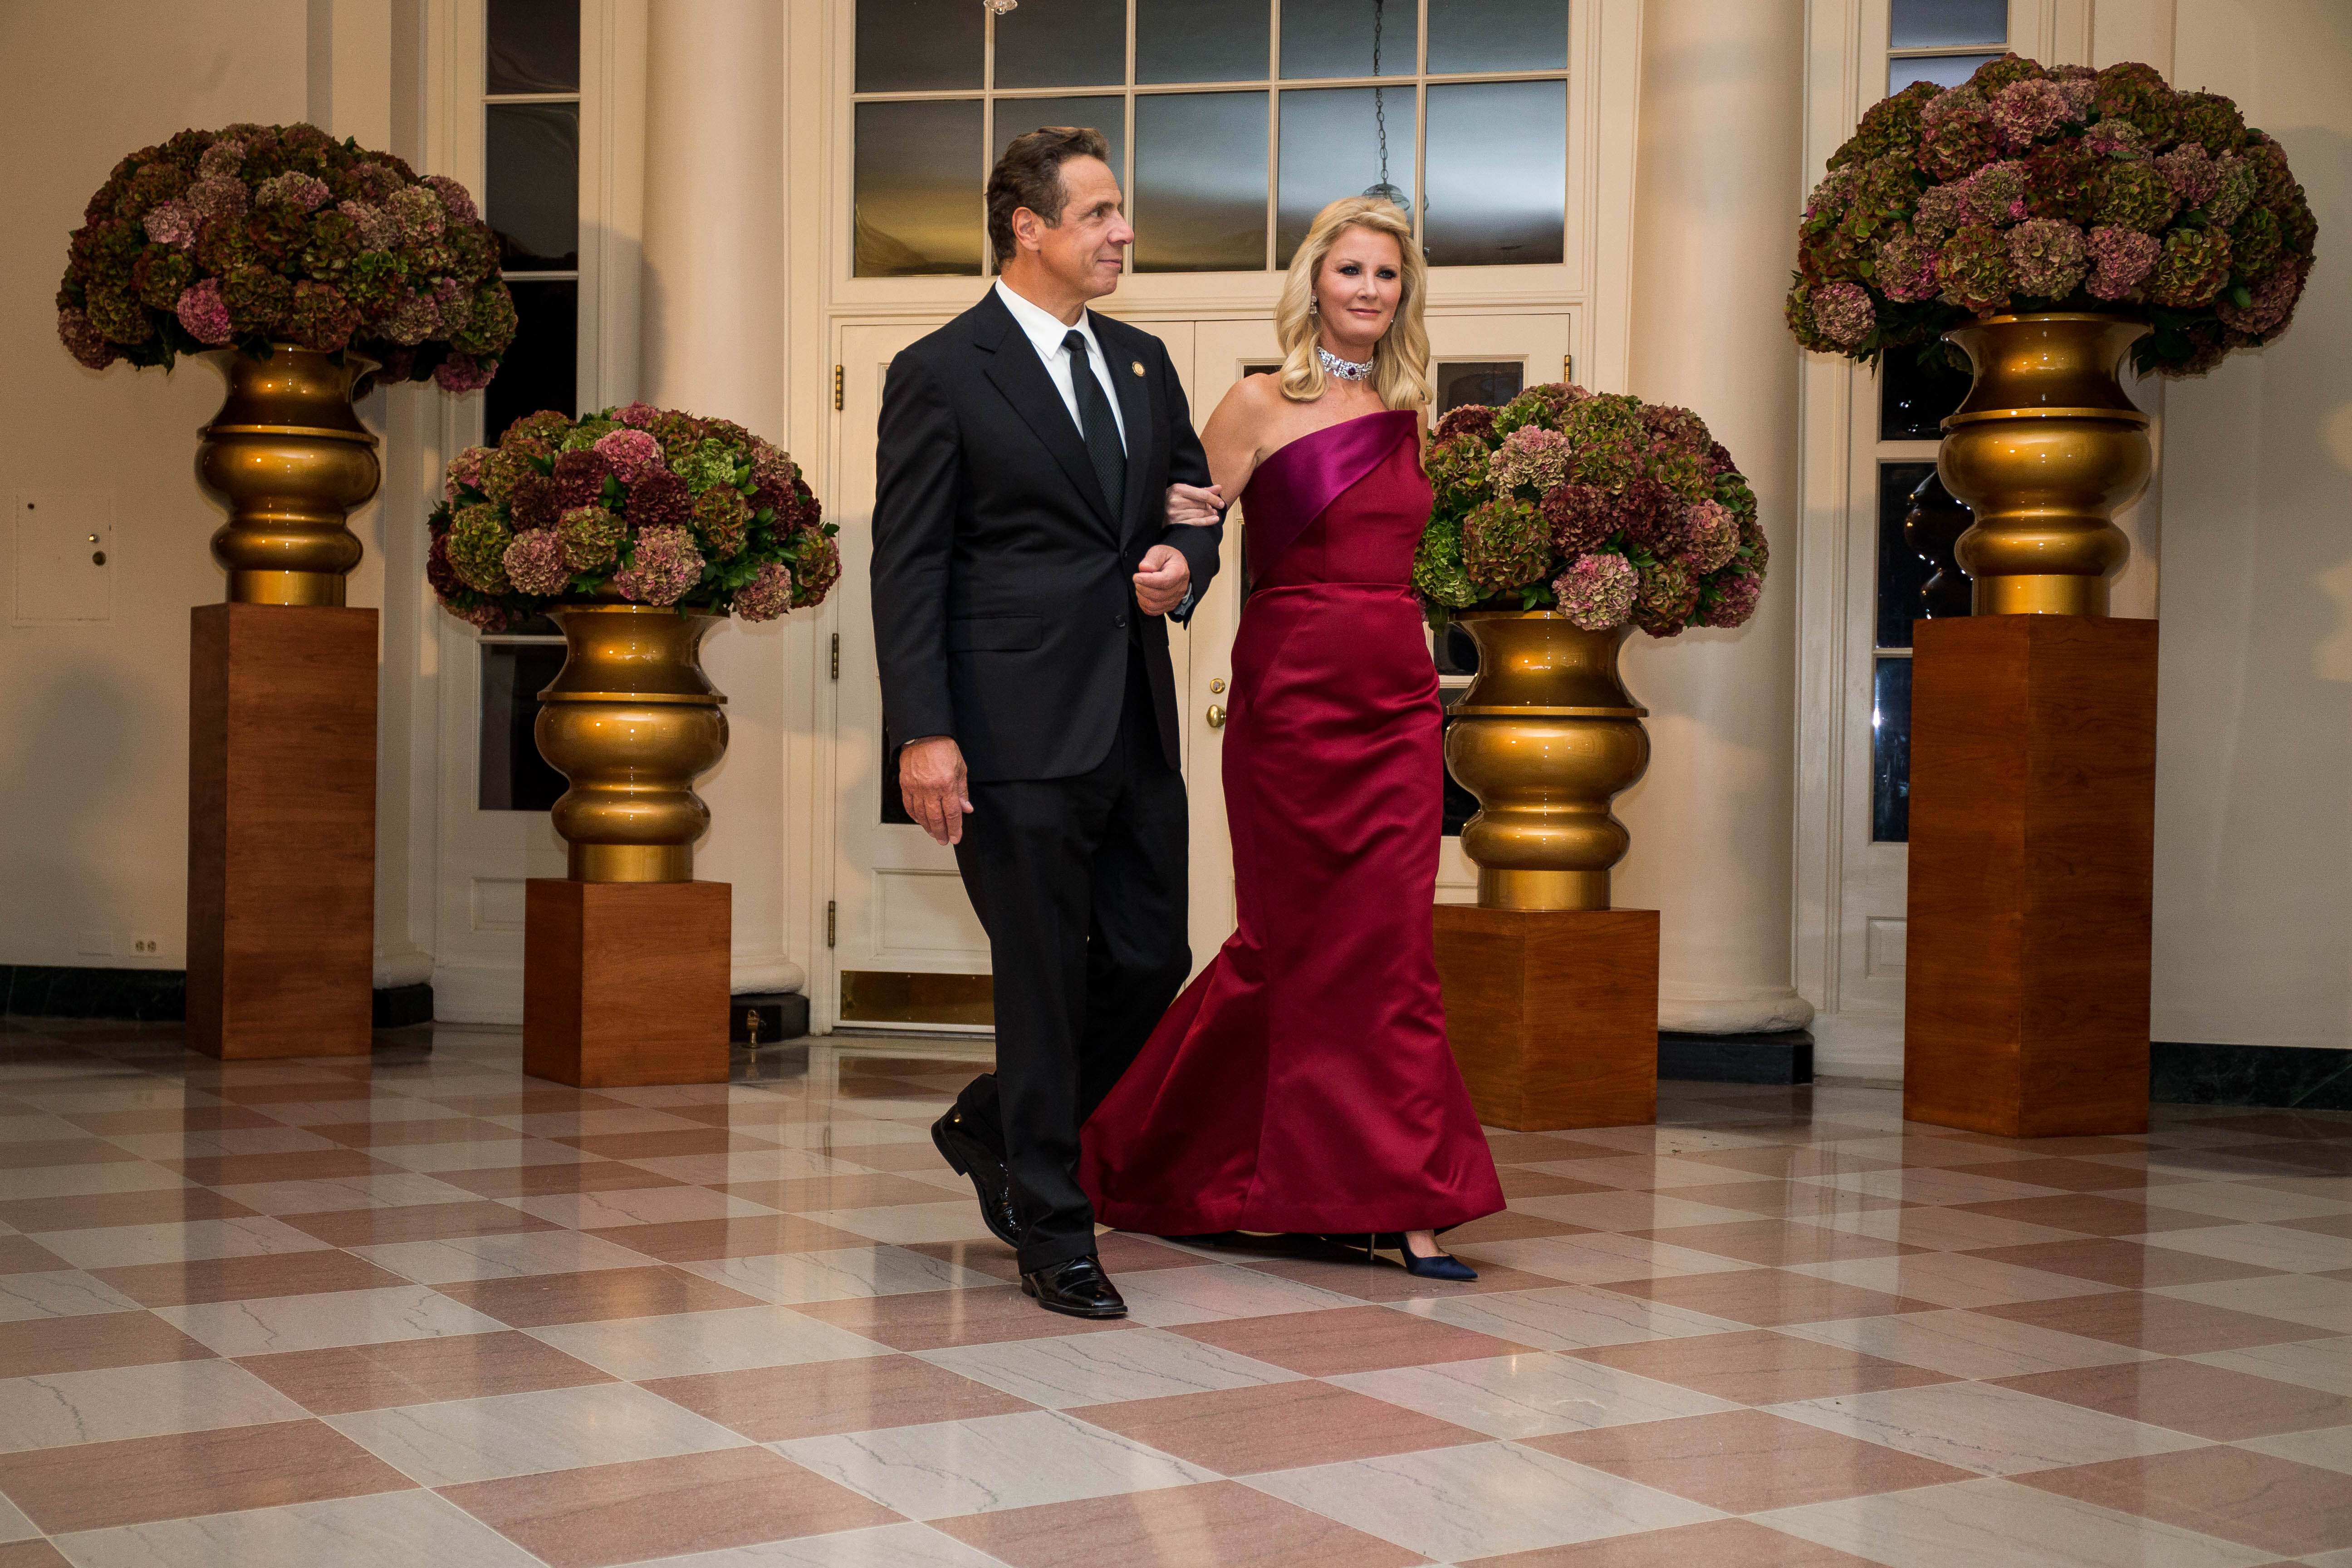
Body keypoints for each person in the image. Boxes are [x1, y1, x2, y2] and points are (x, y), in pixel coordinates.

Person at [1079, 197, 1505, 1279]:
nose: (1369, 291)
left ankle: (1398, 1197)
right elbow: (1188, 523)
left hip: (1399, 696)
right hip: (1292, 694)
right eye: (1352, 271)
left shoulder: (1419, 415)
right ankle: (1137, 1153)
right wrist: (1170, 572)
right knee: (1287, 947)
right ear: (1316, 281)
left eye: (1388, 277)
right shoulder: (1258, 403)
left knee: (1393, 949)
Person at [871, 127, 1225, 1319]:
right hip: (1006, 732)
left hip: (1131, 715)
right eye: (1101, 214)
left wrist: (1185, 559)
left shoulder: (1140, 363)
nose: (1124, 232)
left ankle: (991, 1125)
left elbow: (1191, 501)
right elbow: (907, 566)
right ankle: (1054, 1229)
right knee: (1039, 980)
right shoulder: (942, 370)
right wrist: (924, 730)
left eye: (1121, 213)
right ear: (1029, 228)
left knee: (1147, 957)